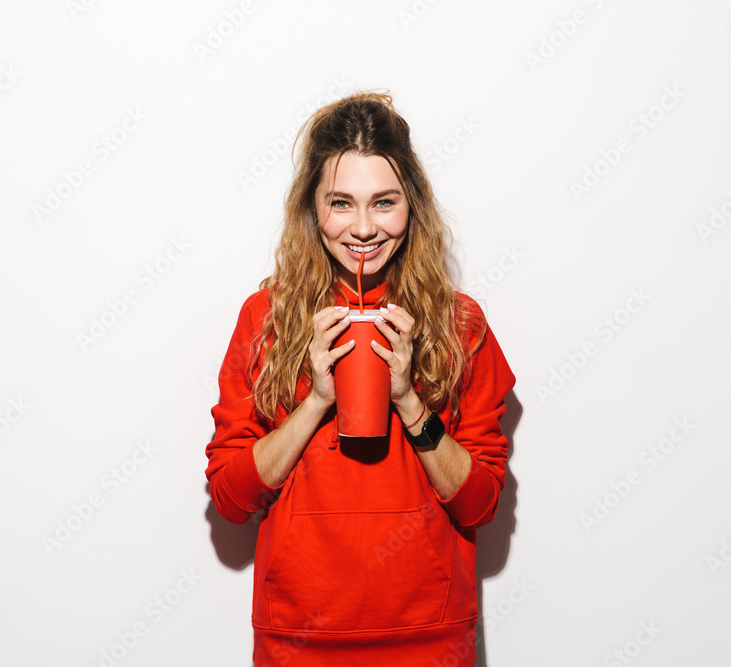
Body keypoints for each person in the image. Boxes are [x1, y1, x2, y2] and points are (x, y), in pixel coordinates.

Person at [205, 90, 515, 666]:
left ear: (411, 206)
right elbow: (228, 498)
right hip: (298, 639)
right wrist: (316, 402)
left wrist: (409, 402)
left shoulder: (460, 324)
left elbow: (480, 506)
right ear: (312, 209)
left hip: (429, 638)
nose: (364, 227)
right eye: (341, 203)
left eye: (385, 202)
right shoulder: (264, 318)